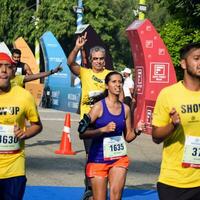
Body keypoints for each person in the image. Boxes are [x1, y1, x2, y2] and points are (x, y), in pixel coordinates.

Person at [79, 71, 145, 200]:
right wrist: (102, 130)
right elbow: (82, 133)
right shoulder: (98, 107)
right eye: (114, 82)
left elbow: (128, 137)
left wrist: (137, 130)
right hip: (98, 159)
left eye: (120, 82)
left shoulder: (125, 109)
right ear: (107, 85)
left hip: (118, 158)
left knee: (116, 197)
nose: (118, 85)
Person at [152, 42, 200, 200]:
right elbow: (156, 136)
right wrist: (173, 125)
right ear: (183, 63)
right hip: (174, 182)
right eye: (196, 58)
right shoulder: (168, 94)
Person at [68, 32, 111, 198]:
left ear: (104, 60)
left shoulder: (110, 75)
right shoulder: (85, 73)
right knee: (91, 156)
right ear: (91, 60)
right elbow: (70, 62)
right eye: (95, 59)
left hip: (107, 122)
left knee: (106, 156)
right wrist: (77, 47)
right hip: (89, 123)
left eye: (101, 58)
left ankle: (101, 187)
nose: (98, 61)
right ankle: (90, 188)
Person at [0, 52, 43, 200]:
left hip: (14, 168)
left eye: (8, 67)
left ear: (13, 72)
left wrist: (25, 133)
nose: (3, 70)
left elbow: (37, 125)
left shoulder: (24, 96)